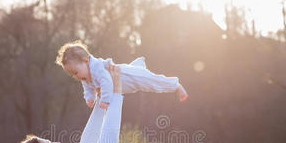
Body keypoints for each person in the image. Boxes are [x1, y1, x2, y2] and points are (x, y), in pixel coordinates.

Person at [55, 39, 188, 109]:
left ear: (85, 61)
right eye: (72, 74)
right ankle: (139, 64)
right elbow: (88, 89)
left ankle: (175, 85)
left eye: (75, 72)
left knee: (153, 83)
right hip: (126, 84)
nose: (76, 77)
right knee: (138, 77)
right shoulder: (85, 76)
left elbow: (106, 82)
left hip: (129, 77)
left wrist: (105, 101)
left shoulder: (97, 69)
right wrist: (89, 98)